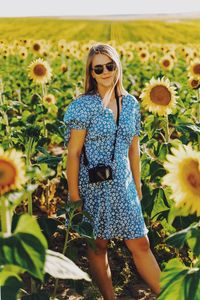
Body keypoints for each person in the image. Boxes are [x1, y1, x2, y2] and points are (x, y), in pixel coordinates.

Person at [63, 43, 161, 300]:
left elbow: (134, 149)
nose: (106, 71)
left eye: (110, 65)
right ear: (91, 73)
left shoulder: (130, 104)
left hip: (124, 185)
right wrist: (74, 196)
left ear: (118, 66)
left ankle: (170, 295)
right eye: (99, 68)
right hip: (93, 184)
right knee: (98, 246)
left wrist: (137, 186)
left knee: (140, 243)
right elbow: (73, 153)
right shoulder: (83, 106)